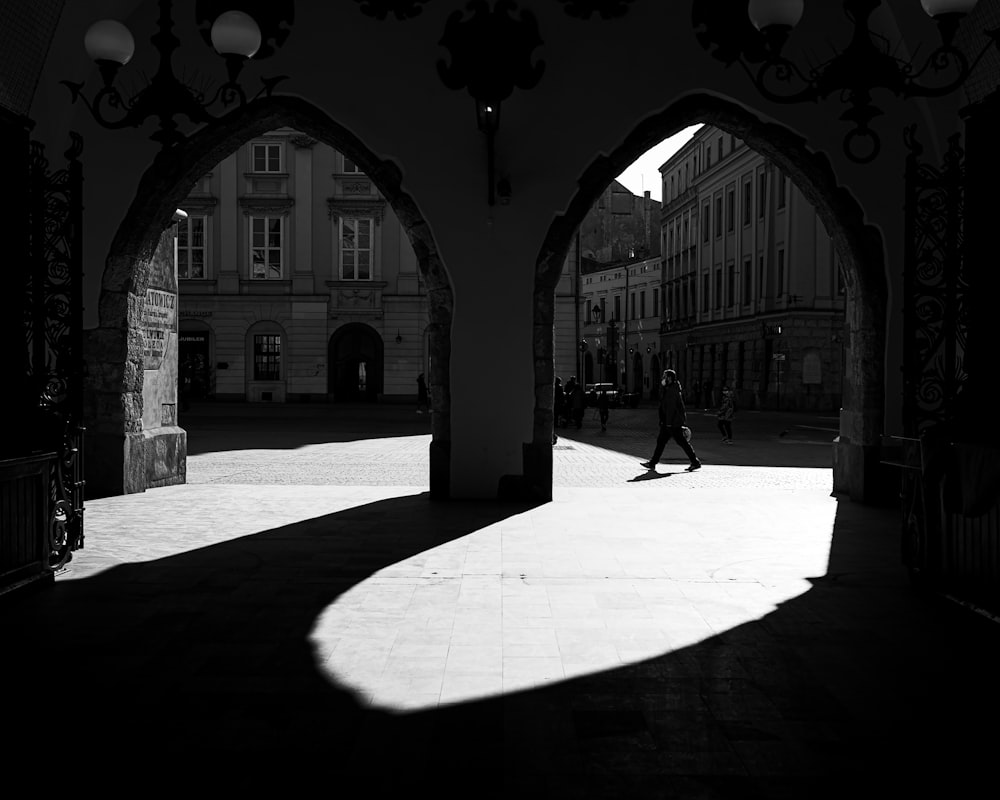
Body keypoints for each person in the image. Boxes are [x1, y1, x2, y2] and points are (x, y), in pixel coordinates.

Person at [640, 368, 701, 471]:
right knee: (661, 442)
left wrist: (668, 423)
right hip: (668, 422)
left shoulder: (672, 391)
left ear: (670, 378)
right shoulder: (669, 389)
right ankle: (652, 463)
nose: (663, 379)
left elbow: (671, 408)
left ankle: (695, 462)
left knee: (681, 442)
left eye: (665, 377)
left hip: (672, 423)